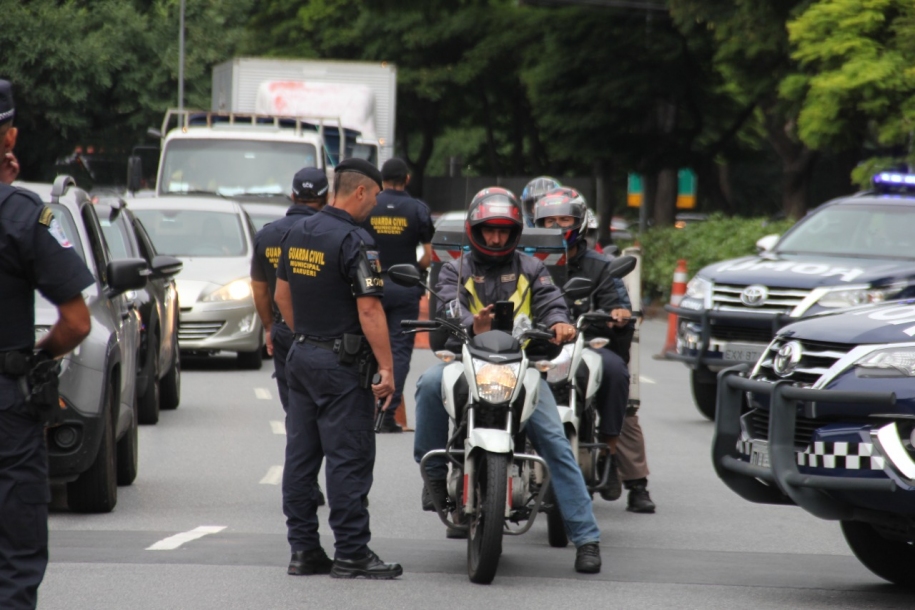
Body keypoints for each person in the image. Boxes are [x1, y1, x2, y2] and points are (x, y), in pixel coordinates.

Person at [413, 187, 603, 574]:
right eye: (489, 230)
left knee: (556, 442)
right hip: (466, 362)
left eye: (503, 230)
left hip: (521, 368)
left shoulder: (533, 269)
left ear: (515, 232)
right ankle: (433, 479)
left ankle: (587, 539)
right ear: (475, 230)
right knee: (429, 384)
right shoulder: (454, 269)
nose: (496, 238)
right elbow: (447, 305)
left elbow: (552, 303)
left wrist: (561, 324)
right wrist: (472, 323)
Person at [274, 157, 402, 579]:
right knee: (348, 457)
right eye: (375, 195)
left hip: (301, 357)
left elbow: (281, 297)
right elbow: (370, 311)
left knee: (301, 458)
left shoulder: (296, 231)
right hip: (341, 366)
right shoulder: (355, 240)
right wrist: (387, 368)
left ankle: (304, 550)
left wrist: (308, 337)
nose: (377, 204)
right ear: (360, 191)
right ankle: (351, 552)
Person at [0, 79, 94, 609]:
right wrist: (38, 356)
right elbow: (77, 323)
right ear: (9, 137)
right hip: (6, 405)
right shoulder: (23, 214)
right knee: (15, 549)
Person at [532, 188, 632, 501]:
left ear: (580, 222)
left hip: (587, 345)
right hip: (536, 345)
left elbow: (617, 304)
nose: (557, 226)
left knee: (615, 370)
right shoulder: (527, 262)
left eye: (564, 219)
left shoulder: (601, 265)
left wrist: (618, 314)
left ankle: (608, 454)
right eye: (549, 221)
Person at [251, 167, 330, 512]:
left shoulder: (267, 235)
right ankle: (333, 483)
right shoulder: (329, 234)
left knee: (296, 414)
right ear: (326, 198)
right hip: (326, 334)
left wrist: (270, 327)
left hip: (285, 333)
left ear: (293, 195)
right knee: (333, 414)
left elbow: (260, 289)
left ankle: (304, 483)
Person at [361, 158, 434, 433]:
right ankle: (387, 414)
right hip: (405, 288)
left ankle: (365, 410)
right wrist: (415, 271)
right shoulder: (418, 209)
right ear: (407, 178)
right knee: (399, 353)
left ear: (381, 180)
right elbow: (429, 255)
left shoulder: (370, 205)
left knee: (368, 348)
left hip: (370, 286)